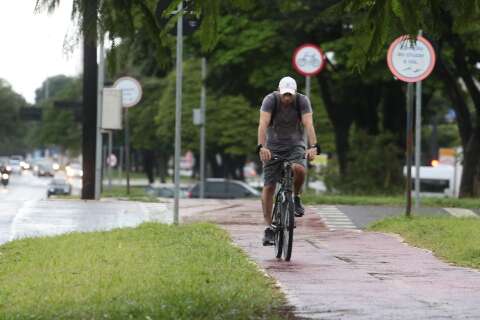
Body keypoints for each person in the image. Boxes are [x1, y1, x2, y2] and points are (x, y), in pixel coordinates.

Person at [257, 76, 320, 246]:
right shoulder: (270, 100)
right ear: (279, 91)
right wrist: (261, 147)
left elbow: (308, 123)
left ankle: (297, 197)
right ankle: (268, 227)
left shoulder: (302, 101)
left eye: (290, 95)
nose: (287, 98)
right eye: (284, 94)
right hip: (273, 147)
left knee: (299, 169)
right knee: (269, 185)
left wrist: (314, 146)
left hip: (295, 145)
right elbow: (263, 123)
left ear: (295, 93)